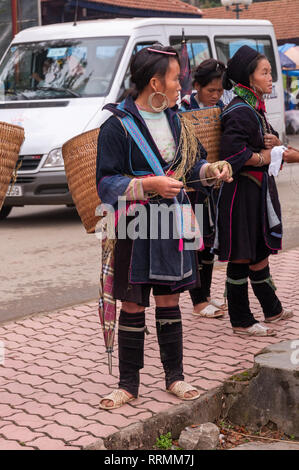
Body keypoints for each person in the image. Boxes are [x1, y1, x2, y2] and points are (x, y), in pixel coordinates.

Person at [96, 45, 233, 410]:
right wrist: (148, 185)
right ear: (155, 82)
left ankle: (175, 377)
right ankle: (128, 385)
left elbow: (193, 166)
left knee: (169, 299)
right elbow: (105, 183)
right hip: (136, 222)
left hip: (172, 222)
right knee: (133, 303)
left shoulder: (177, 121)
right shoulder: (117, 125)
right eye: (175, 79)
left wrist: (212, 170)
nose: (179, 85)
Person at [214, 45, 293, 337]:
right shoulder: (239, 111)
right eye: (265, 72)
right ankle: (241, 321)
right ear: (249, 78)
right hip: (240, 196)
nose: (271, 78)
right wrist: (262, 156)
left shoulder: (253, 108)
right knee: (241, 256)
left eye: (270, 72)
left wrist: (269, 141)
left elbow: (258, 142)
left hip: (255, 193)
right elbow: (232, 152)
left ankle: (271, 310)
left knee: (259, 253)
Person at [181, 58, 227, 318]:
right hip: (192, 187)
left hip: (214, 184)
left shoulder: (222, 108)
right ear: (197, 86)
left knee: (209, 242)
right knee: (195, 242)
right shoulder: (183, 109)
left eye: (219, 90)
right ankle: (198, 300)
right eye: (211, 90)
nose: (216, 95)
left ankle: (206, 296)